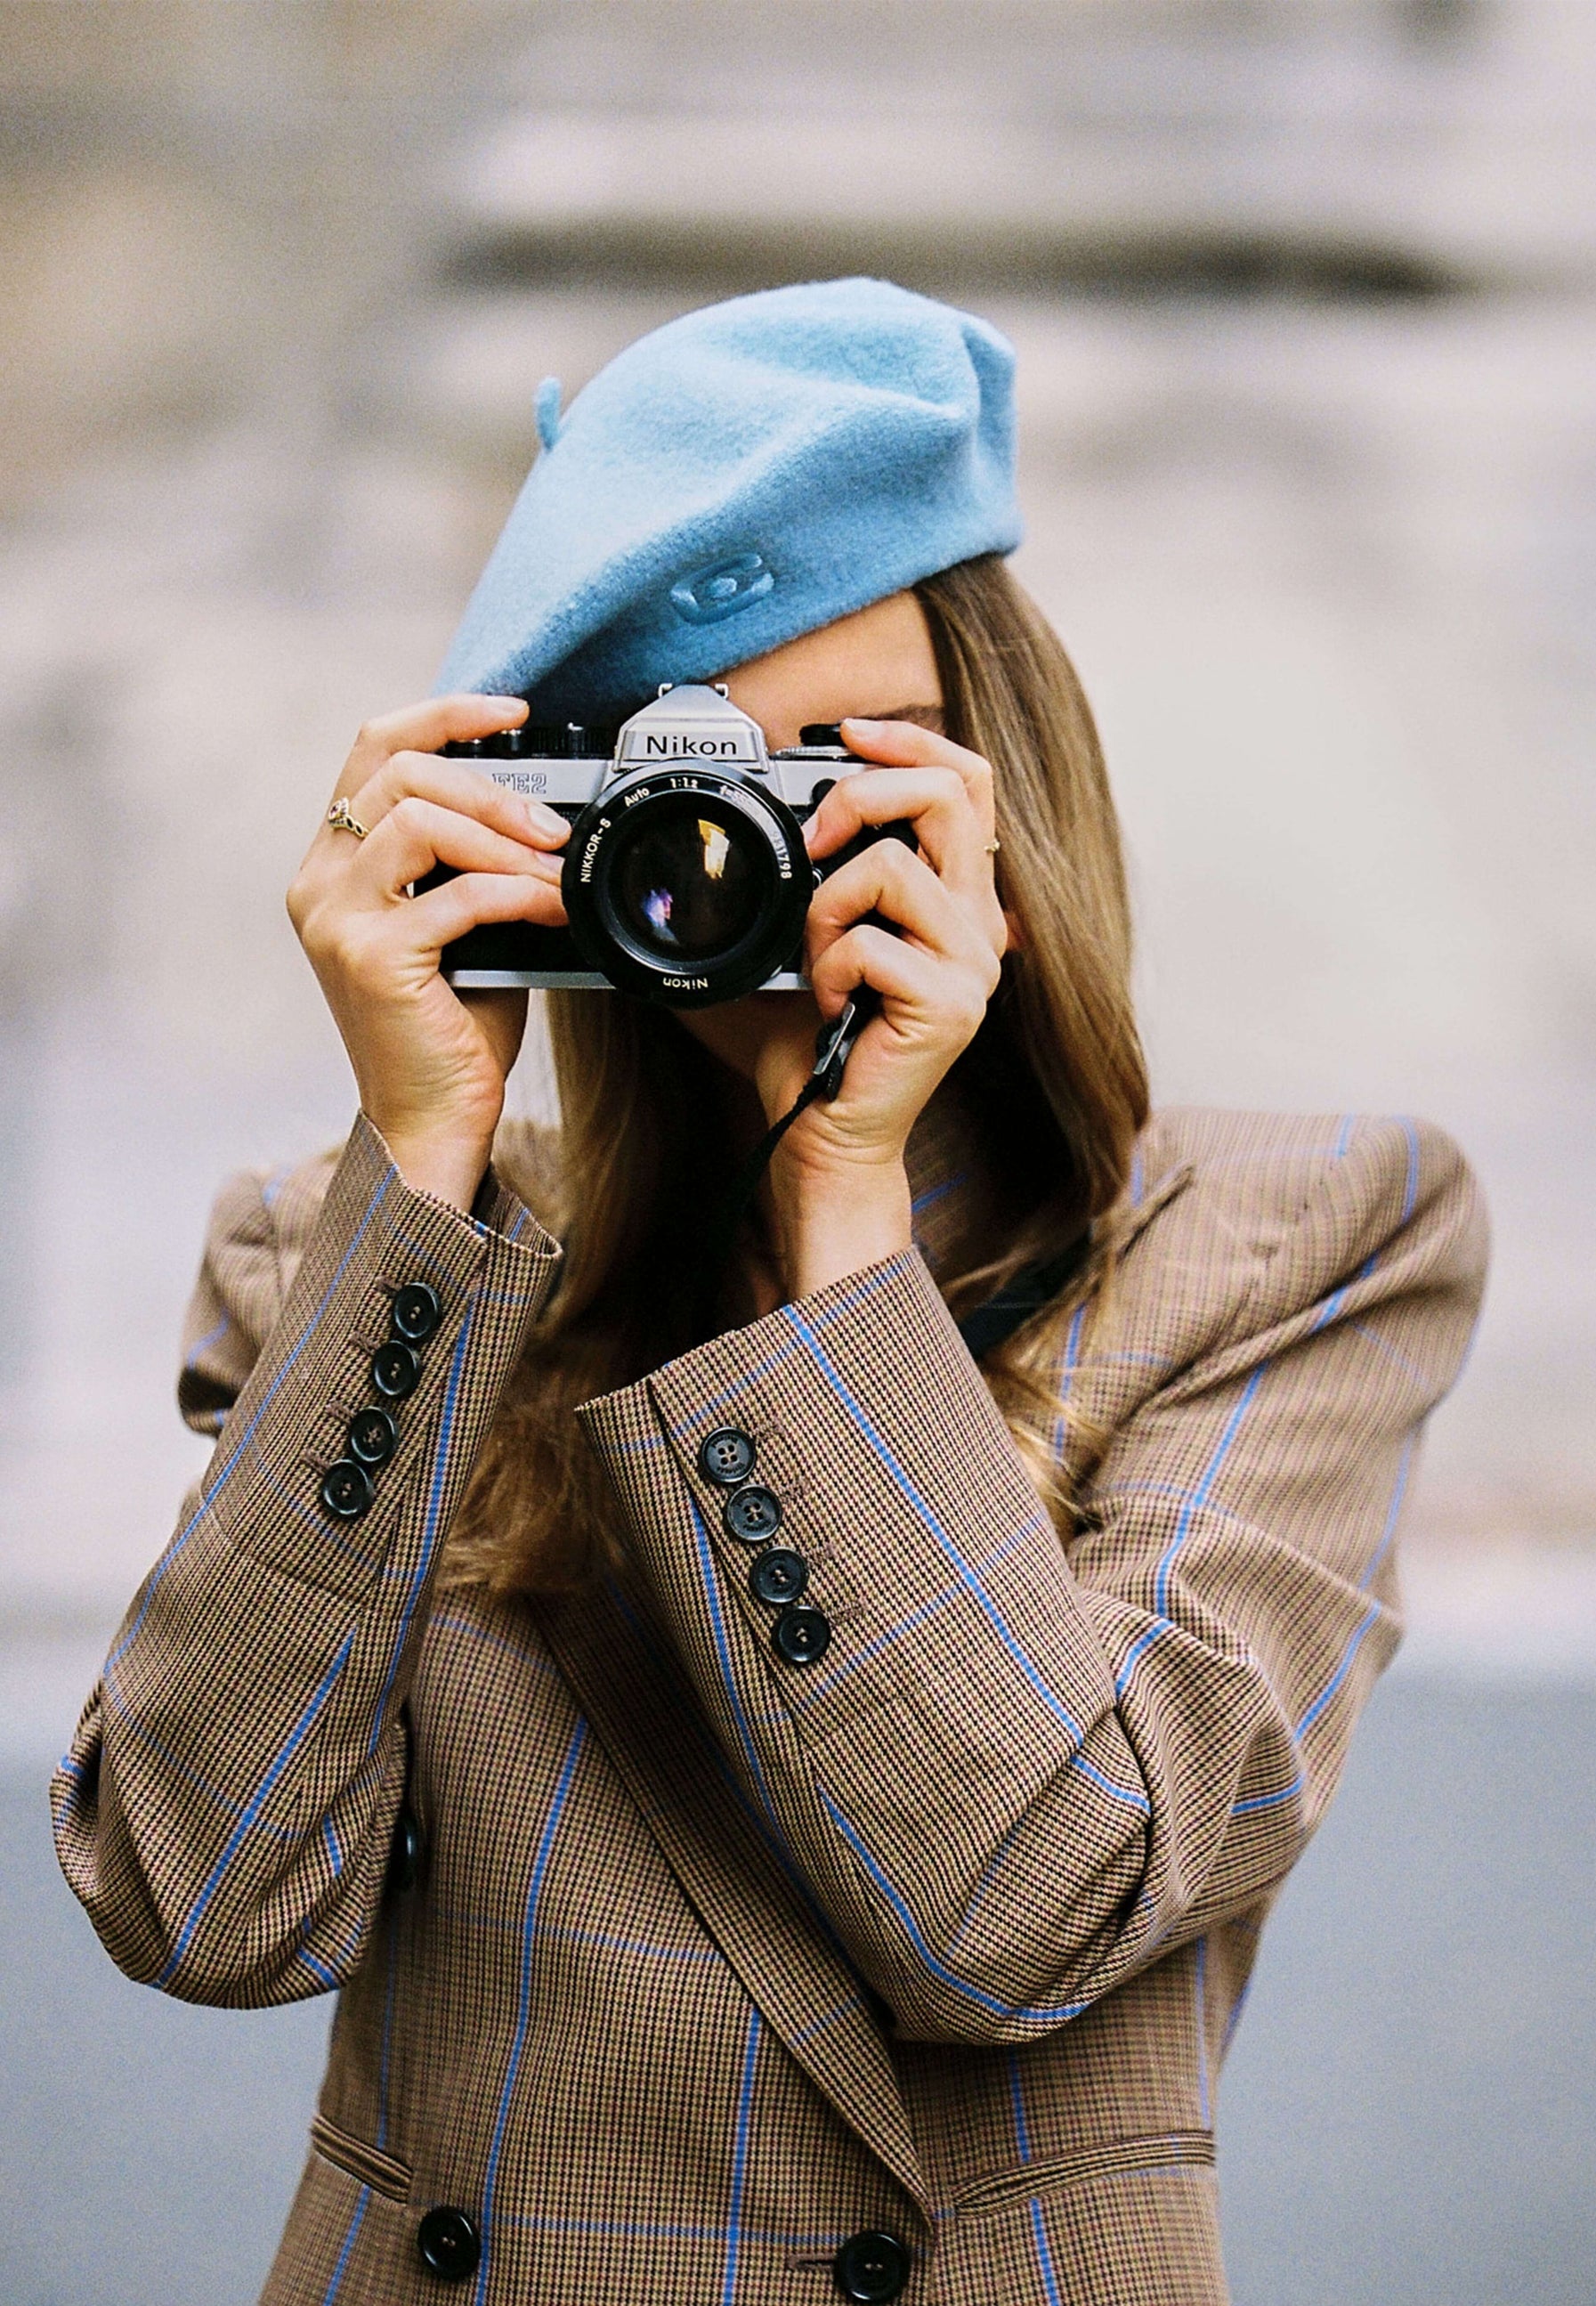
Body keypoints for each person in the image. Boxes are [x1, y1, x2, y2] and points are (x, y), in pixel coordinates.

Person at [53, 280, 1487, 2306]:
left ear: (1008, 793)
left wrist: (843, 1196)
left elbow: (1025, 1907)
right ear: (528, 822)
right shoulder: (353, 1255)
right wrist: (421, 1159)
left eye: (834, 778)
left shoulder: (1295, 1241)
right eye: (672, 789)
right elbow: (204, 1906)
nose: (735, 855)